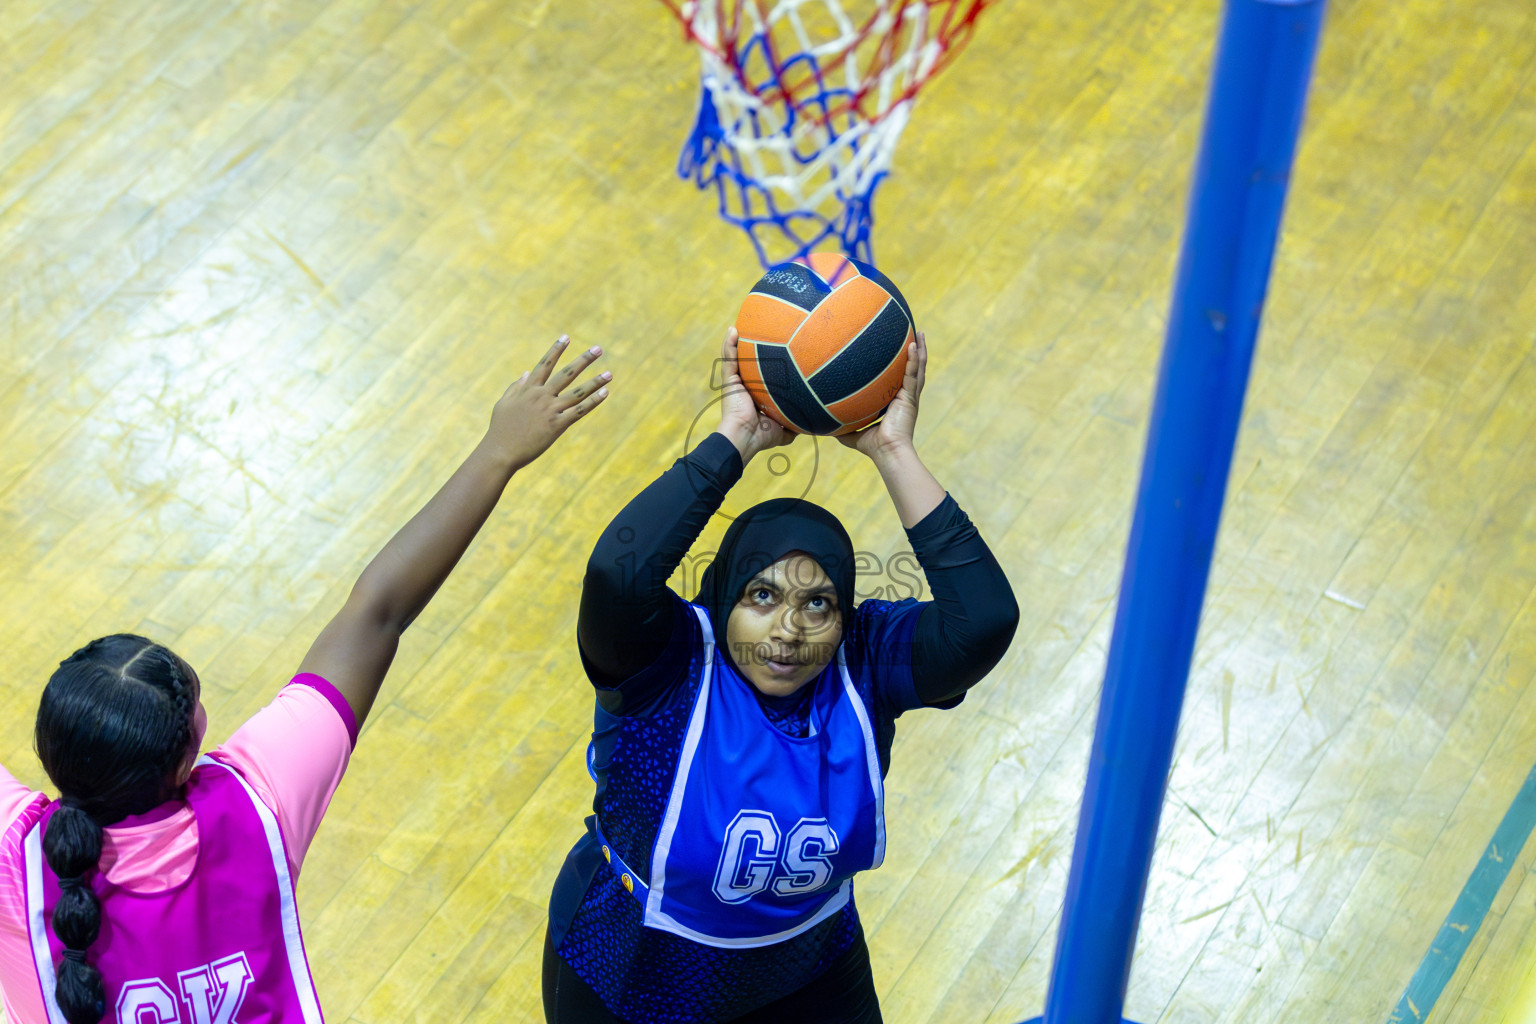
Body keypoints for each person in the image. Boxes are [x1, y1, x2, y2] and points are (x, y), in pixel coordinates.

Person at [0, 338, 610, 1024]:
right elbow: (378, 612)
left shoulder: (16, 864)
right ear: (187, 756)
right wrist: (499, 452)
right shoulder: (256, 805)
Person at [544, 328, 1019, 1023]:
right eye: (761, 596)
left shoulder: (864, 660)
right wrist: (735, 438)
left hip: (806, 965)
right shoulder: (667, 666)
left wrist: (894, 451)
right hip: (636, 969)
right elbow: (618, 572)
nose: (788, 629)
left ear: (845, 615)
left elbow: (984, 619)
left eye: (817, 603)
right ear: (723, 596)